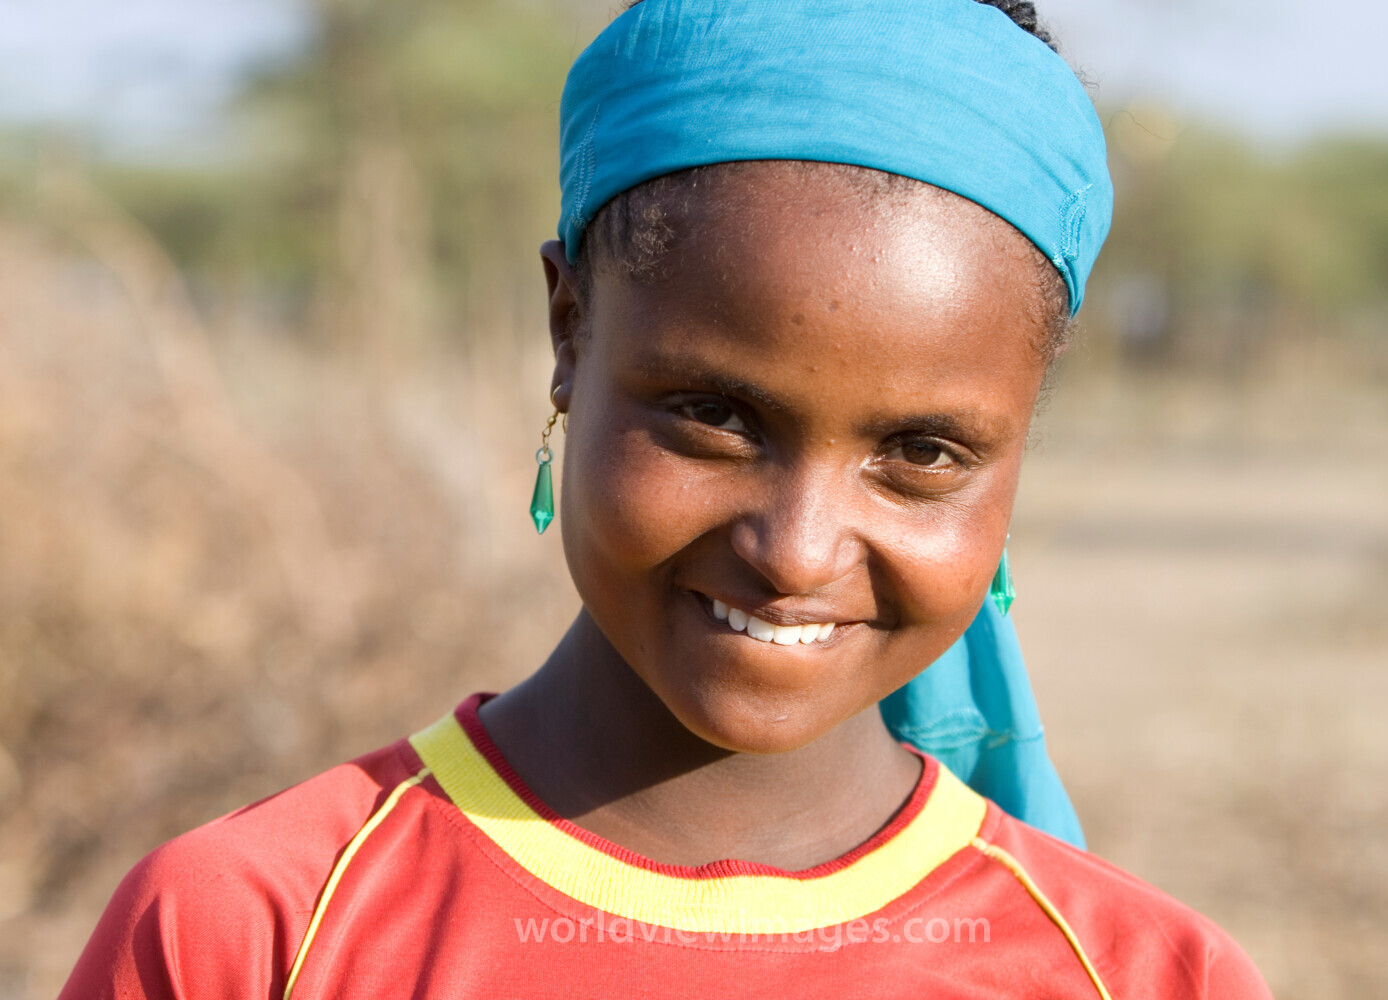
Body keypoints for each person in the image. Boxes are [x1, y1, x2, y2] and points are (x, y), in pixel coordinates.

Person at [63, 1, 1274, 997]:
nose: (796, 551)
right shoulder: (254, 933)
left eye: (923, 452)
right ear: (569, 329)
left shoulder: (1143, 974)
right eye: (718, 415)